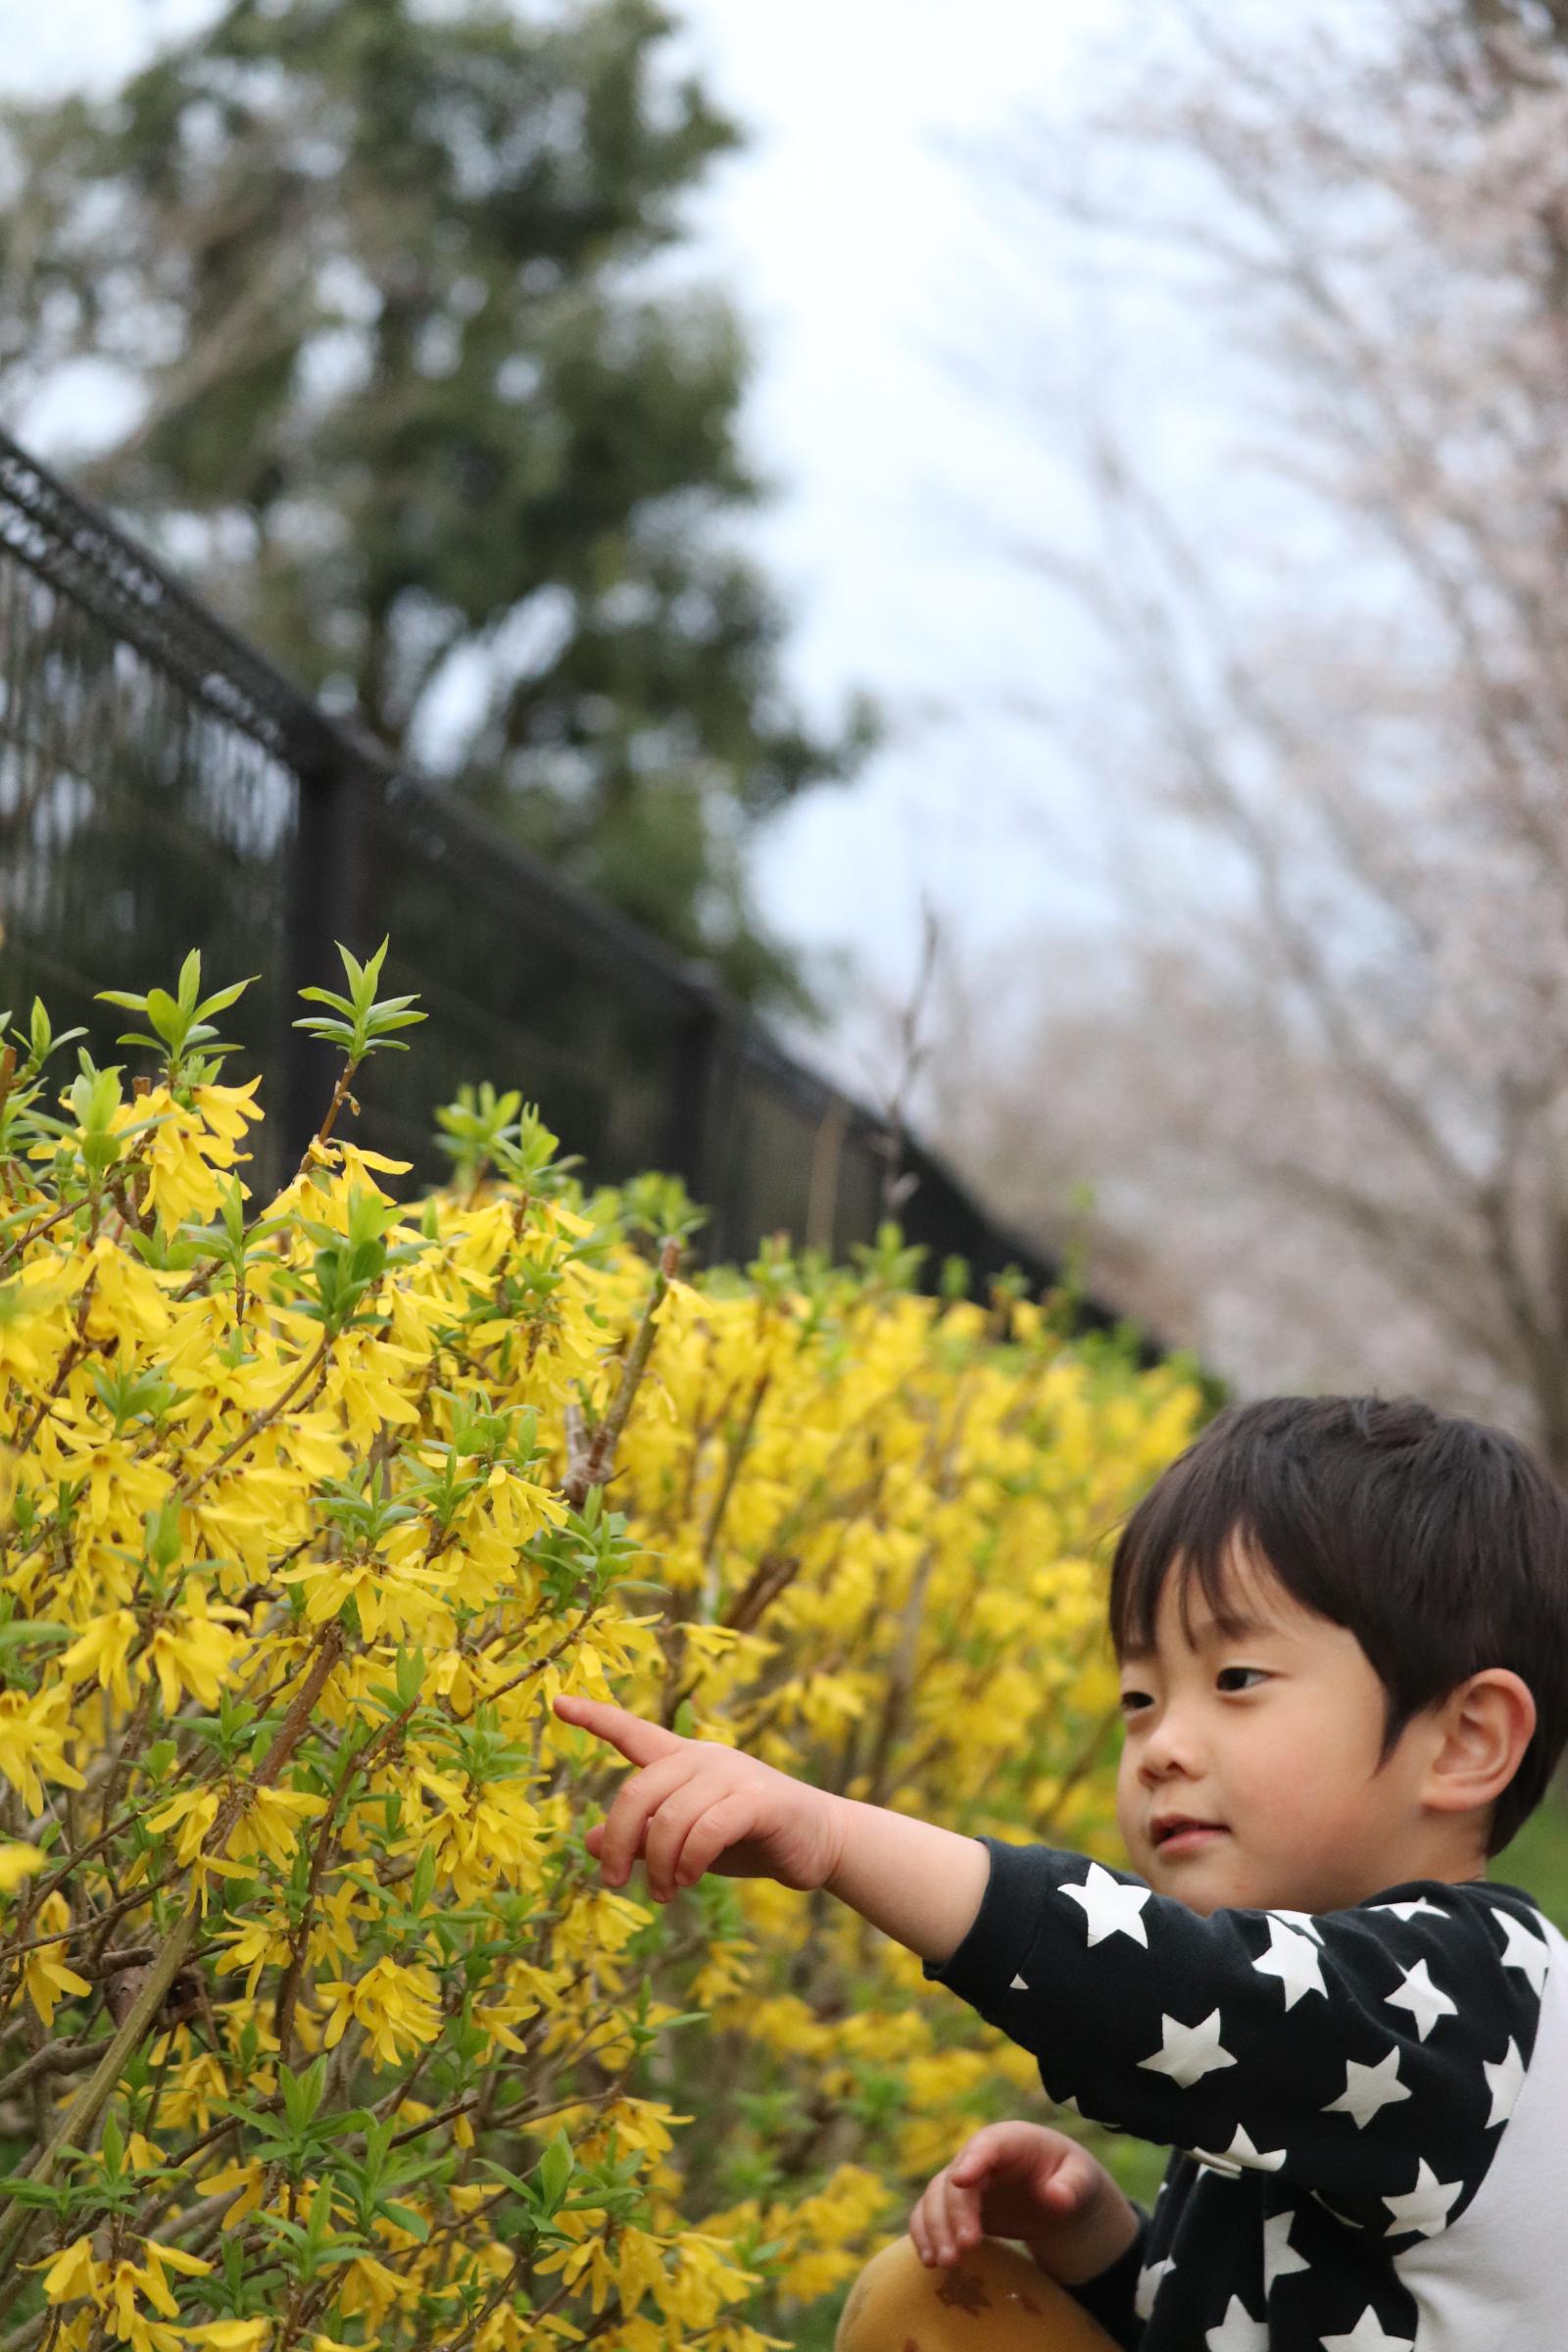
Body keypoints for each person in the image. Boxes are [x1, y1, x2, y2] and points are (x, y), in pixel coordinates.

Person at [552, 1395, 1568, 2349]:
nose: (1162, 1747)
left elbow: (1161, 1984)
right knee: (931, 2293)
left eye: (1235, 1679)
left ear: (1464, 1741)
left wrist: (834, 1836)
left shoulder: (1472, 1999)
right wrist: (1099, 2244)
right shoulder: (1311, 2036)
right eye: (1138, 1699)